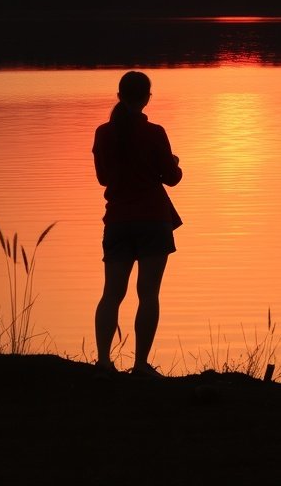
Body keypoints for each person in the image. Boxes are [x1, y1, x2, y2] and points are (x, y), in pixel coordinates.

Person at [92, 71, 182, 377]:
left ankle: (103, 362)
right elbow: (172, 178)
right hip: (153, 221)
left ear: (119, 96)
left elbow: (103, 178)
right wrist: (175, 163)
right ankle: (140, 365)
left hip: (117, 221)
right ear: (146, 98)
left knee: (111, 294)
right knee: (148, 294)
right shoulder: (155, 133)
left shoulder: (103, 133)